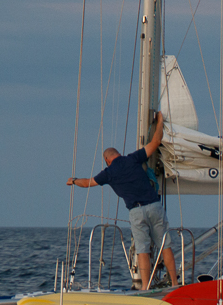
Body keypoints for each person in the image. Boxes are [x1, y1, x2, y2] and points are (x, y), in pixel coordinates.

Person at [68, 111, 179, 289]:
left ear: (107, 160)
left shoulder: (108, 173)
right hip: (154, 206)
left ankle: (145, 287)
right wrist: (159, 121)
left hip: (136, 211)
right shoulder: (133, 158)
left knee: (142, 250)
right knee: (165, 246)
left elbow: (87, 183)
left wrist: (73, 181)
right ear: (118, 154)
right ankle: (174, 283)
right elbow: (156, 142)